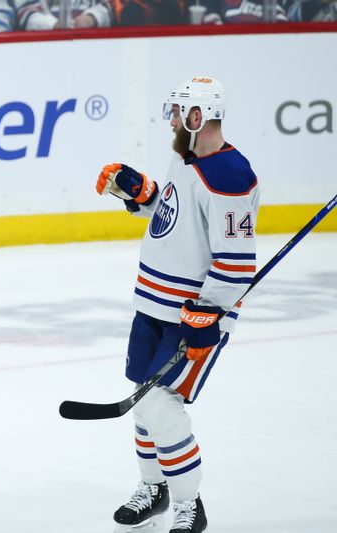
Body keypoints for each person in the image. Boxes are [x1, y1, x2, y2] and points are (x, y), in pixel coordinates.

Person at [95, 77, 259, 533]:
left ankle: (189, 503)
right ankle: (155, 487)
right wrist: (137, 190)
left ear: (197, 117)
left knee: (159, 406)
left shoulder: (230, 176)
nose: (170, 119)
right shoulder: (185, 156)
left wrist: (211, 313)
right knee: (144, 401)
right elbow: (171, 212)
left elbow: (236, 261)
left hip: (193, 312)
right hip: (153, 302)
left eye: (177, 112)